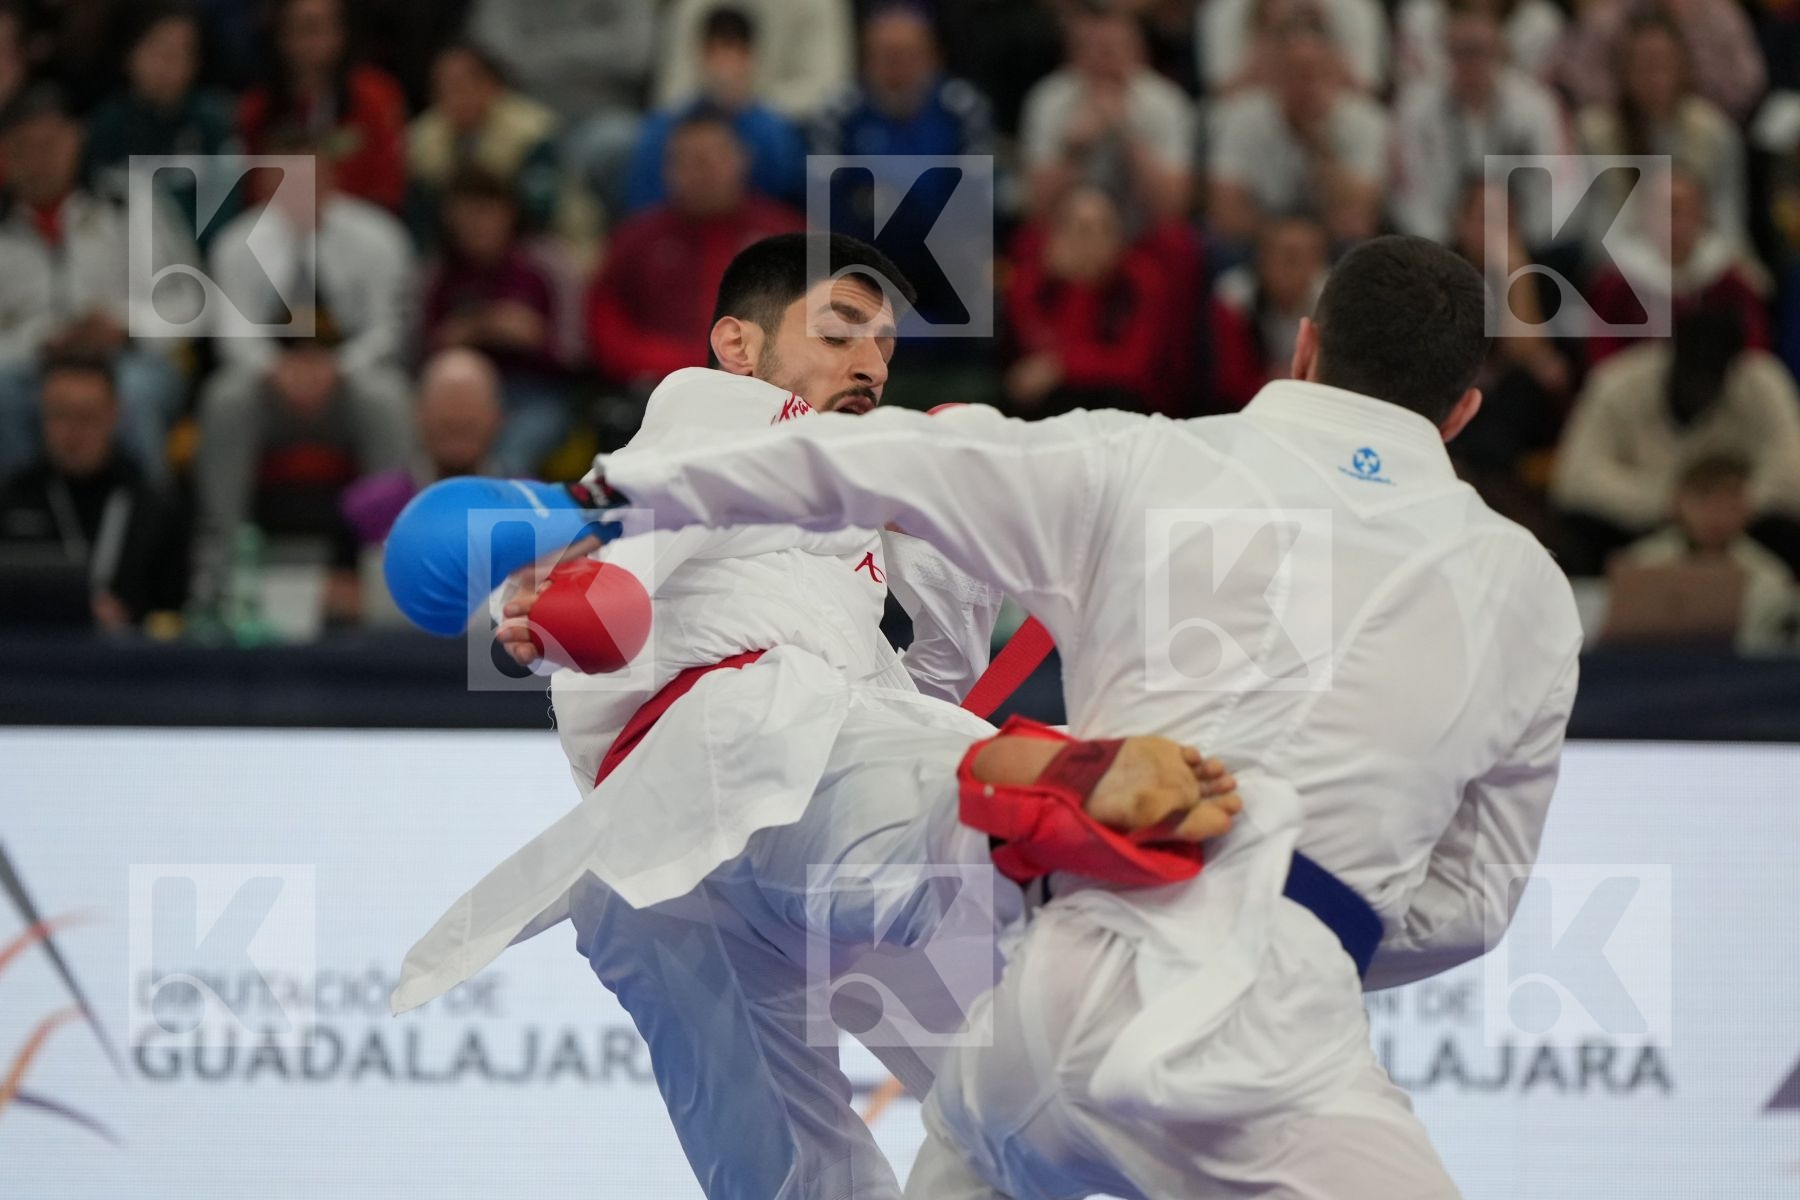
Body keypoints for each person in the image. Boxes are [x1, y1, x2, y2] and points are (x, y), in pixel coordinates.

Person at [590, 235, 1584, 1198]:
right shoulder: (1529, 594)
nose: (872, 363)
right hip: (1273, 1040)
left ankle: (1036, 796)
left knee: (978, 1108)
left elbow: (889, 460)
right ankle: (1031, 792)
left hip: (1054, 997)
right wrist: (1279, 910)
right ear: (1460, 412)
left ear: (1306, 346)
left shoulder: (1139, 459)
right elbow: (1474, 905)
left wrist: (603, 503)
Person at [388, 232, 1243, 1200]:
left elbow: (925, 692)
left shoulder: (851, 512)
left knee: (998, 1111)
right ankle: (1058, 812)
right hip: (746, 753)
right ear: (739, 347)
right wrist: (575, 574)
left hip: (705, 869)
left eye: (885, 345)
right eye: (841, 333)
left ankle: (1034, 844)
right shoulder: (718, 413)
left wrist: (948, 554)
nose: (871, 363)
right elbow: (654, 511)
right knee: (945, 816)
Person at [192, 135, 415, 605]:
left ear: (331, 177)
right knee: (225, 397)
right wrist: (279, 369)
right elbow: (232, 332)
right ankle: (222, 562)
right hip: (270, 391)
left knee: (387, 398)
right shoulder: (237, 243)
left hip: (346, 387)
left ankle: (392, 563)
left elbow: (391, 330)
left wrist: (336, 368)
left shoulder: (378, 237)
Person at [0, 83, 194, 486]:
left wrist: (124, 324)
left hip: (127, 359)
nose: (39, 159)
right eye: (24, 147)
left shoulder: (130, 203)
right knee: (3, 396)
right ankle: (20, 531)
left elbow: (191, 299)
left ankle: (149, 531)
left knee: (134, 396)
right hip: (25, 366)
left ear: (76, 139)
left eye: (50, 144)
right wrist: (38, 340)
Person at [1552, 307, 1800, 575]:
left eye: (1712, 374)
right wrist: (1671, 503)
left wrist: (1727, 505)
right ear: (1671, 355)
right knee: (1577, 533)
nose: (1700, 386)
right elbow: (1574, 479)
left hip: (1738, 528)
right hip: (1644, 523)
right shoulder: (1618, 383)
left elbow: (1790, 473)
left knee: (1784, 531)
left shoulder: (1762, 382)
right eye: (1693, 371)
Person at [587, 113, 803, 392]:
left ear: (744, 159)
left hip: (768, 390)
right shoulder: (636, 239)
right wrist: (678, 366)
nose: (703, 169)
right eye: (688, 160)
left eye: (715, 156)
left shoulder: (785, 233)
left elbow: (822, 317)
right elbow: (605, 320)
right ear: (667, 170)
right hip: (661, 391)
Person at [0, 352, 187, 628]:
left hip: (127, 663)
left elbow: (176, 613)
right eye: (60, 415)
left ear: (114, 414)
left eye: (86, 416)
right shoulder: (10, 498)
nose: (73, 432)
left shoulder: (155, 506)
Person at [422, 168, 569, 477]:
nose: (476, 224)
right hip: (460, 393)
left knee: (511, 452)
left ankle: (501, 519)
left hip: (531, 393)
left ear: (509, 213)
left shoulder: (541, 268)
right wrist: (458, 336)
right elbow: (425, 349)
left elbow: (572, 351)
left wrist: (532, 337)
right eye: (464, 215)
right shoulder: (440, 275)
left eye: (485, 212)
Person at [1389, 0, 1569, 245]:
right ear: (1446, 52)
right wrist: (1443, 241)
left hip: (1521, 237)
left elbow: (1556, 184)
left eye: (1479, 50)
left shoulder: (1535, 106)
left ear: (1500, 51)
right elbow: (1409, 192)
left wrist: (1527, 238)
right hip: (1444, 240)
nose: (1471, 62)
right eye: (1461, 51)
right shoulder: (1416, 107)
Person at [1207, 17, 1389, 245]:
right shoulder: (1240, 117)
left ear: (1336, 74)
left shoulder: (1366, 121)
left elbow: (1357, 220)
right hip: (1261, 241)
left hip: (1332, 242)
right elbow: (1226, 213)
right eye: (1297, 73)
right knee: (1223, 246)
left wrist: (1320, 146)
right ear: (1274, 77)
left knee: (1356, 246)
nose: (1308, 85)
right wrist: (1287, 242)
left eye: (1317, 73)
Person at [405, 40, 597, 255]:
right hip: (457, 252)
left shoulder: (532, 131)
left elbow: (542, 209)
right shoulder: (421, 139)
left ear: (491, 85)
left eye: (463, 84)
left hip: (547, 242)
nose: (454, 96)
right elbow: (421, 217)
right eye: (443, 87)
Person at [1019, 4, 1196, 222]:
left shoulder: (1166, 102)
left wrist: (1128, 138)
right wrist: (1074, 151)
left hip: (1140, 231)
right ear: (1070, 55)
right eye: (1086, 50)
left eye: (1109, 51)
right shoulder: (1048, 99)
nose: (1099, 62)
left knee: (1176, 243)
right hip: (1067, 231)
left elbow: (1173, 208)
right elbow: (1036, 208)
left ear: (1137, 53)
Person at [623, 6, 808, 214]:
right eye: (714, 50)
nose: (724, 62)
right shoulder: (661, 128)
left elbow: (784, 201)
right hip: (678, 235)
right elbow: (643, 206)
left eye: (734, 50)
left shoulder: (775, 132)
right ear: (700, 54)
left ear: (750, 56)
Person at [83, 3, 242, 239]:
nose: (169, 64)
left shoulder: (213, 121)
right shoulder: (107, 125)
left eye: (182, 53)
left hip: (196, 252)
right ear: (130, 55)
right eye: (159, 51)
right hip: (126, 252)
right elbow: (94, 208)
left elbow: (224, 209)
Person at [238, 0, 409, 213]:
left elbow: (389, 186)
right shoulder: (257, 109)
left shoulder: (376, 97)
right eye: (305, 28)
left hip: (358, 225)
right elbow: (252, 190)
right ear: (282, 35)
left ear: (341, 32)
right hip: (279, 228)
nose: (314, 41)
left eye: (323, 27)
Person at [1617, 454, 1799, 653]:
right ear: (1678, 502)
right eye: (1705, 499)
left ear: (1748, 508)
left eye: (1729, 501)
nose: (1717, 514)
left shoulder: (1770, 577)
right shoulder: (1639, 565)